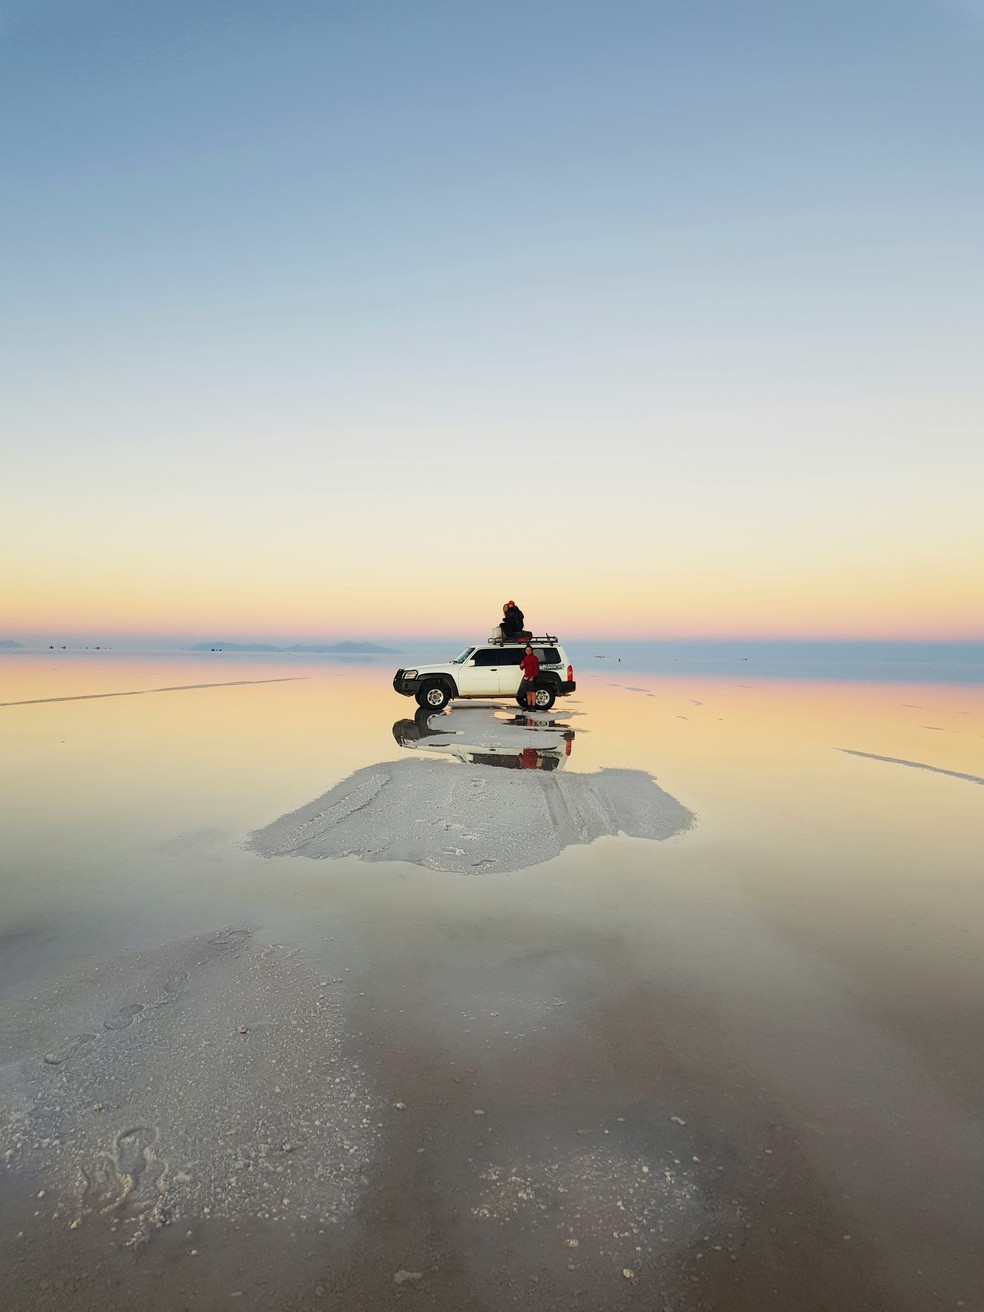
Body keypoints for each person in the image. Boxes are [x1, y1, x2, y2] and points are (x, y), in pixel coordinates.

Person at [519, 643, 540, 709]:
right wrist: (521, 666)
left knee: (532, 692)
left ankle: (533, 706)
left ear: (531, 651)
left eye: (529, 650)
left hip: (532, 678)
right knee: (527, 692)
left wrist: (532, 677)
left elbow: (537, 669)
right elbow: (522, 667)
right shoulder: (525, 658)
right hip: (526, 677)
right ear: (525, 651)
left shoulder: (534, 658)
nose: (528, 651)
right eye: (527, 650)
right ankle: (529, 706)